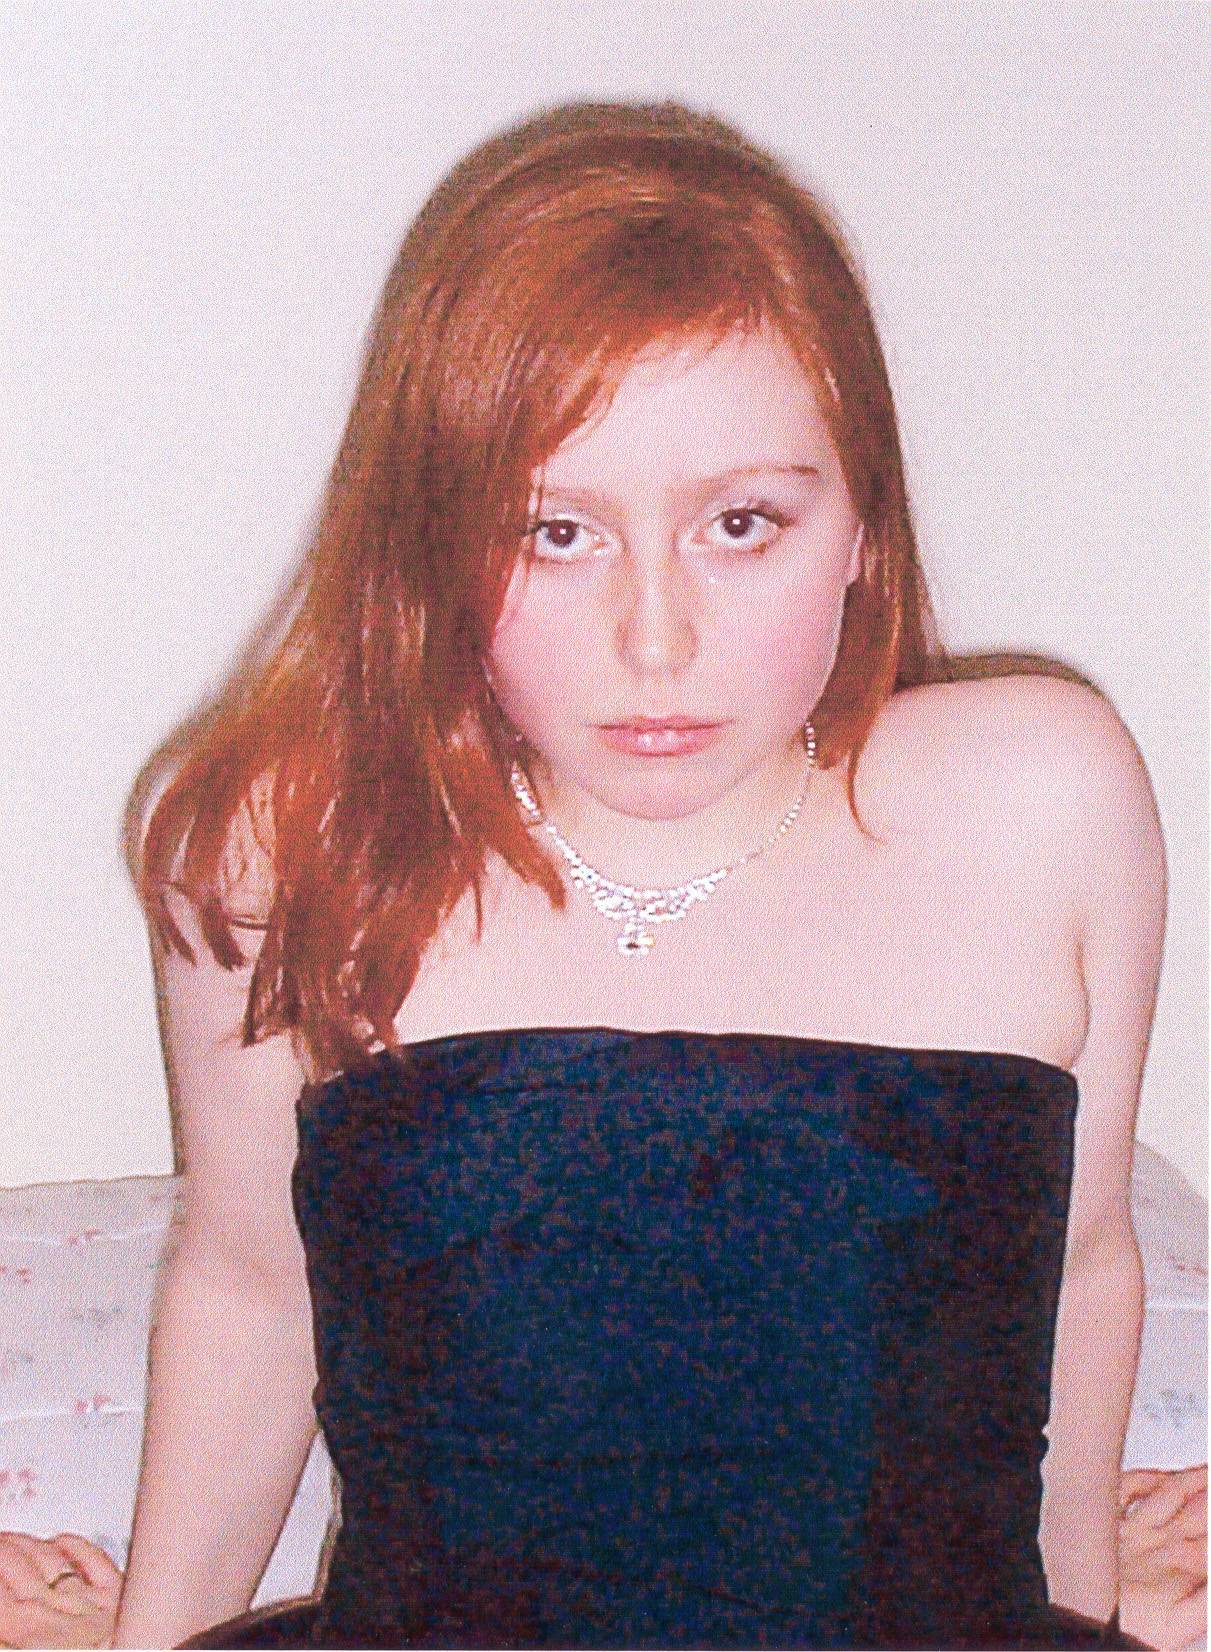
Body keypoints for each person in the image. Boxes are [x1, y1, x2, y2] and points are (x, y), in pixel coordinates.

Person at [0, 98, 1198, 1649]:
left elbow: (1081, 1266)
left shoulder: (1044, 799)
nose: (656, 639)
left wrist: (1074, 1613)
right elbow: (250, 1288)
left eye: (742, 524)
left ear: (861, 523)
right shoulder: (282, 841)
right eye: (556, 533)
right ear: (432, 543)